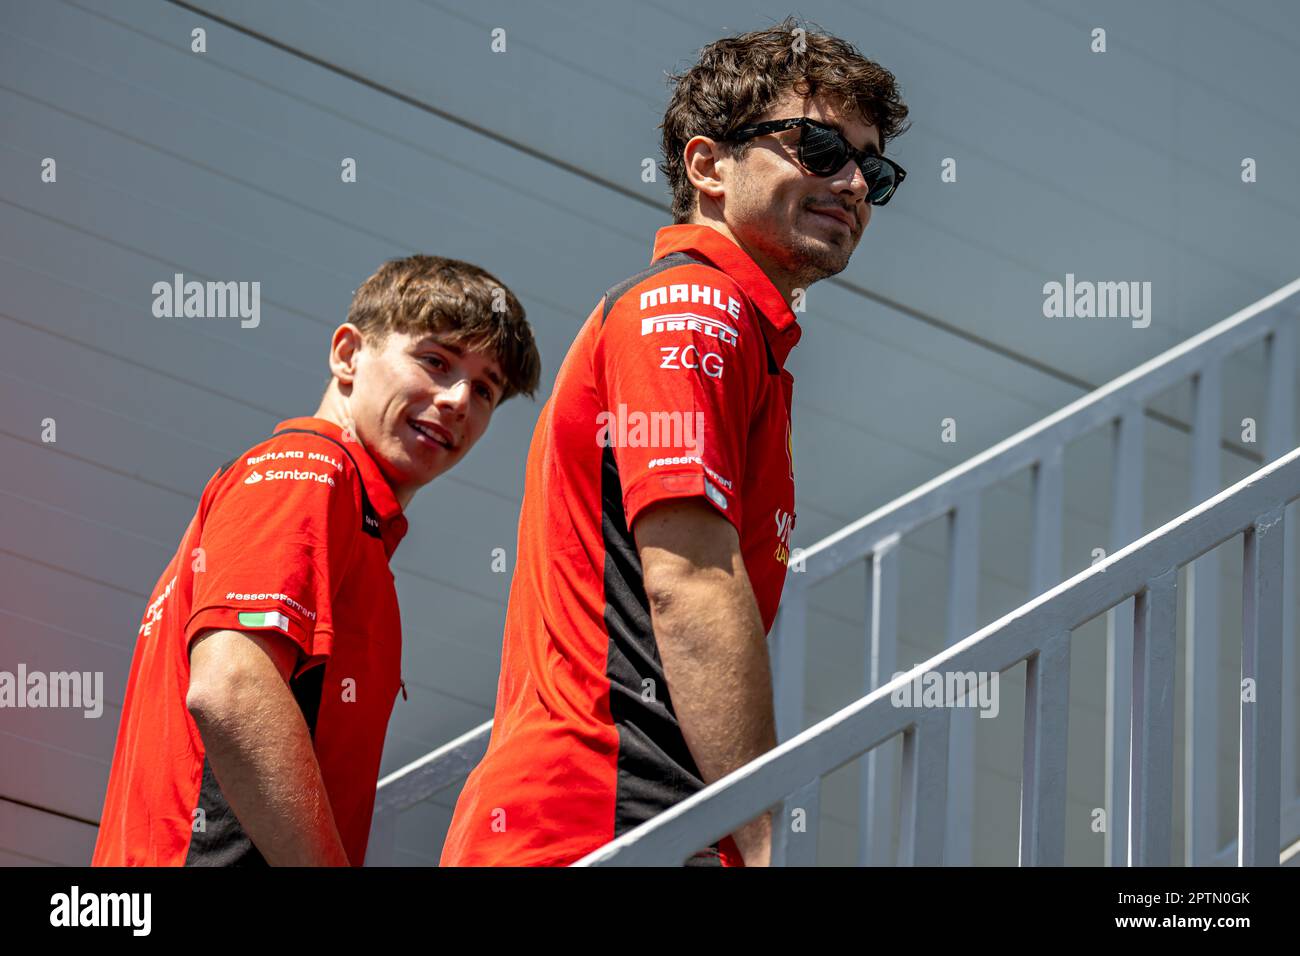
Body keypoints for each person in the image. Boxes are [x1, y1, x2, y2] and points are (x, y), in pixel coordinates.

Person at [440, 18, 909, 867]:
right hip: (608, 819)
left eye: (872, 167)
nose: (852, 184)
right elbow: (688, 581)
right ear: (707, 166)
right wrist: (767, 842)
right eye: (817, 147)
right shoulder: (694, 306)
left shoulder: (729, 329)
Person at [91, 255, 541, 866]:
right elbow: (231, 686)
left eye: (485, 389)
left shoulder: (350, 516)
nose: (459, 399)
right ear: (348, 354)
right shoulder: (309, 470)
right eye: (436, 361)